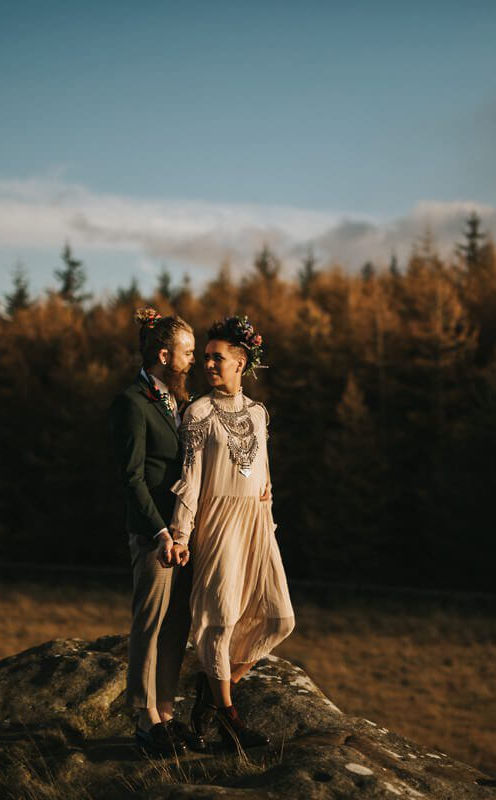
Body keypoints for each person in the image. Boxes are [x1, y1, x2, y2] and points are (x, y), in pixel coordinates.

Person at [170, 315, 295, 750]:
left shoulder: (259, 414)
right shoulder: (198, 413)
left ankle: (210, 693)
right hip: (217, 522)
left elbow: (264, 476)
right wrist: (181, 535)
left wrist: (269, 520)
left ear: (241, 362)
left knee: (279, 617)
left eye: (216, 357)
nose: (207, 364)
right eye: (204, 357)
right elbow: (190, 480)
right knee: (219, 620)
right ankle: (227, 716)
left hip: (257, 524)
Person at [109, 307, 206, 758]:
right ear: (164, 355)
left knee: (176, 625)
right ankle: (146, 721)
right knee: (149, 624)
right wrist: (161, 533)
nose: (194, 359)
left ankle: (165, 714)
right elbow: (131, 478)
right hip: (154, 536)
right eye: (187, 352)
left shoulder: (180, 402)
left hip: (184, 536)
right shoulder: (131, 402)